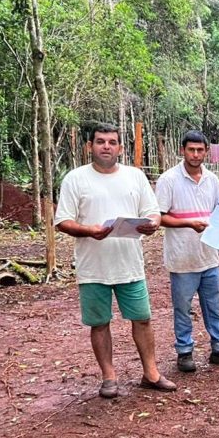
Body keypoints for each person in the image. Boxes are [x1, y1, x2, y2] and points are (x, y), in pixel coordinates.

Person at [55, 122, 175, 398]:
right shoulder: (76, 179)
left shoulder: (134, 176)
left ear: (120, 147)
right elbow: (63, 221)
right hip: (93, 266)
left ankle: (151, 372)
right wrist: (89, 230)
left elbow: (152, 211)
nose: (106, 146)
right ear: (90, 146)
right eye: (100, 142)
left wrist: (153, 223)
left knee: (142, 319)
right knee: (100, 322)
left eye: (111, 142)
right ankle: (109, 377)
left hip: (129, 264)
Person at [155, 130, 219, 372]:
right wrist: (188, 223)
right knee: (183, 307)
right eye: (191, 149)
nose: (195, 154)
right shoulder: (168, 180)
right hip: (182, 257)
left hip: (209, 255)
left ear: (206, 151)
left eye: (200, 150)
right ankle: (184, 351)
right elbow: (160, 217)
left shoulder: (212, 179)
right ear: (182, 150)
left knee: (213, 306)